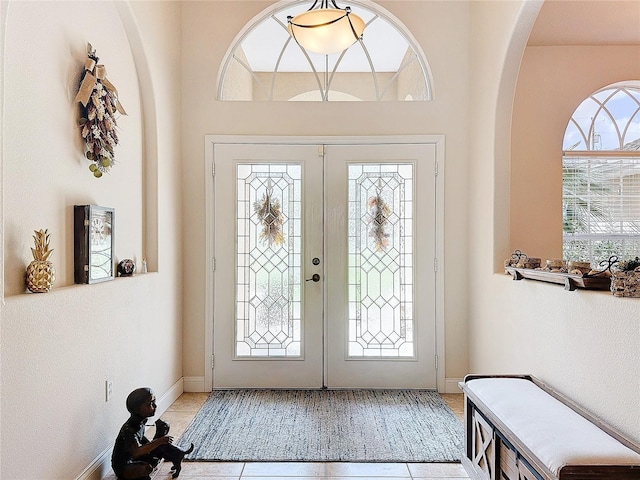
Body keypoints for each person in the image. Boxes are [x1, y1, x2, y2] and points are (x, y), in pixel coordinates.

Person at [111, 387, 194, 479]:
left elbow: (142, 440)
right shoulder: (129, 429)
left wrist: (157, 444)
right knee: (147, 468)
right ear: (137, 409)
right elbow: (136, 452)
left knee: (160, 449)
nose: (155, 406)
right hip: (123, 466)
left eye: (154, 402)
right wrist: (159, 441)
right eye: (150, 403)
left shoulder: (140, 422)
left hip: (133, 458)